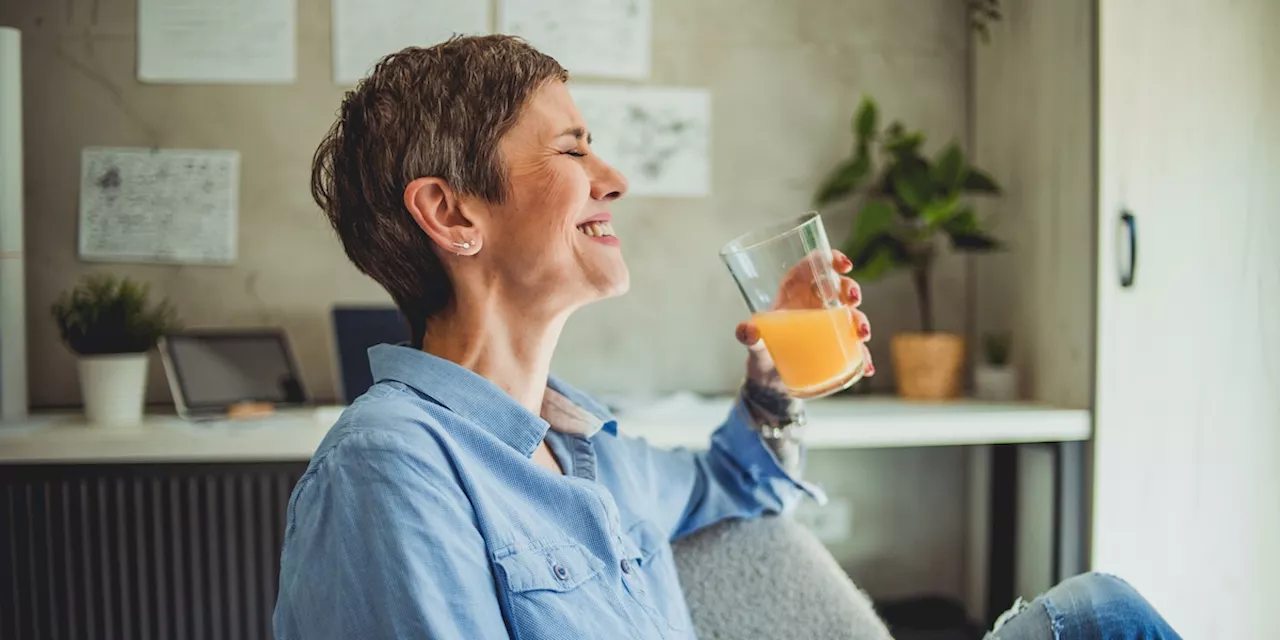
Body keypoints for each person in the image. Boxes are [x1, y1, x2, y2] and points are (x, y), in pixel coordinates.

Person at [272, 35, 1181, 640]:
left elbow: (732, 482)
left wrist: (773, 382)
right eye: (572, 149)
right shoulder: (391, 468)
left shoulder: (590, 447)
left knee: (1098, 610)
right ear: (450, 211)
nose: (614, 178)